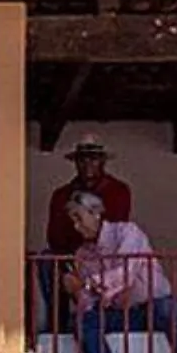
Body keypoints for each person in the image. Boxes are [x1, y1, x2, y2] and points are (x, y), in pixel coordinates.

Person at [64, 193, 177, 353]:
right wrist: (77, 291)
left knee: (172, 309)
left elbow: (126, 272)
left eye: (78, 217)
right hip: (122, 313)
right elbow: (90, 301)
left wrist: (88, 283)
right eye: (73, 220)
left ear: (96, 213)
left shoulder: (127, 232)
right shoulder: (83, 255)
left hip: (153, 305)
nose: (76, 226)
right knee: (81, 320)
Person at [38, 135, 133, 335]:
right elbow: (54, 235)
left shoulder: (119, 191)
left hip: (106, 255)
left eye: (93, 158)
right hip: (71, 256)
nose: (88, 163)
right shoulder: (61, 195)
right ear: (76, 163)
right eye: (83, 159)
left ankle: (107, 319)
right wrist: (72, 259)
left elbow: (115, 227)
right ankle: (58, 325)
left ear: (103, 161)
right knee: (47, 260)